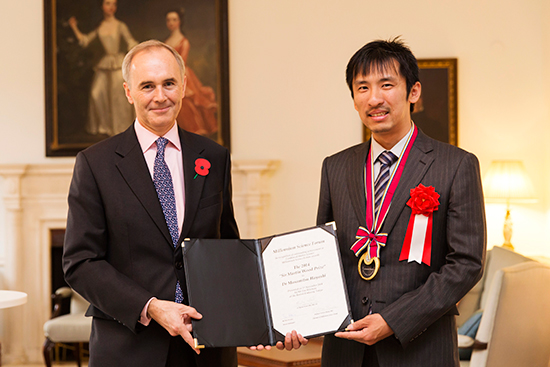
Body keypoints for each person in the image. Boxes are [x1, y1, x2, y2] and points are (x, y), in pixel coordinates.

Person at [63, 40, 239, 367]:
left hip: (207, 348)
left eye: (169, 83)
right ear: (129, 92)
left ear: (184, 86)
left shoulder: (214, 157)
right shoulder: (95, 164)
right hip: (129, 347)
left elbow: (227, 248)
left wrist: (254, 318)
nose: (160, 96)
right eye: (147, 86)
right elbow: (80, 262)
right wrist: (152, 306)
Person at [316, 38, 486, 366]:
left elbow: (466, 264)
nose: (374, 98)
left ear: (414, 92)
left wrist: (393, 320)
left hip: (419, 349)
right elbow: (324, 256)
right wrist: (297, 318)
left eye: (387, 85)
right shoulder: (335, 166)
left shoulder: (456, 165)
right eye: (362, 87)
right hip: (345, 350)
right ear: (353, 99)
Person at [69, 0, 138, 136]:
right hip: (105, 63)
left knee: (118, 97)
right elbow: (85, 41)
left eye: (114, 4)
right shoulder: (99, 27)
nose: (111, 7)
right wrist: (74, 27)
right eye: (108, 3)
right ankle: (104, 128)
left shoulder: (120, 25)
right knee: (96, 93)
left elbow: (131, 41)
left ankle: (121, 130)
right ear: (102, 6)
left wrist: (137, 52)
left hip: (117, 63)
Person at [164, 8, 218, 136]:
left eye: (174, 20)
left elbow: (181, 61)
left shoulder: (184, 41)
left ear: (179, 22)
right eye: (169, 20)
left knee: (187, 103)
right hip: (168, 76)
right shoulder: (166, 42)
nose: (171, 23)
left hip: (181, 74)